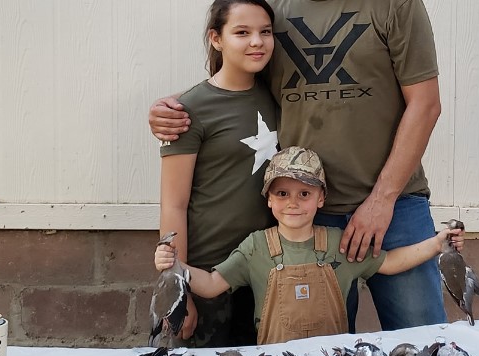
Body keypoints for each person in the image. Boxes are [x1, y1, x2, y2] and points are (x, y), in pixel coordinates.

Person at [150, 0, 446, 333]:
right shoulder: (272, 18)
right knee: (314, 352)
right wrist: (173, 111)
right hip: (306, 212)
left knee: (423, 342)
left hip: (395, 207)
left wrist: (381, 201)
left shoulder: (395, 1)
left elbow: (425, 105)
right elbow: (231, 82)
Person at [155, 147, 463, 345]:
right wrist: (175, 267)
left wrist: (437, 244)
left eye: (305, 194)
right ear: (269, 199)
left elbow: (391, 262)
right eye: (283, 194)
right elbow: (209, 285)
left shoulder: (336, 243)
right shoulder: (256, 248)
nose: (293, 203)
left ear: (321, 199)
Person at [155, 0, 279, 347]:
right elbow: (173, 204)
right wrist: (180, 288)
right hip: (206, 274)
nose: (257, 42)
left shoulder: (279, 95)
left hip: (264, 273)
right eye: (242, 32)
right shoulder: (187, 110)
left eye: (265, 32)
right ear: (217, 38)